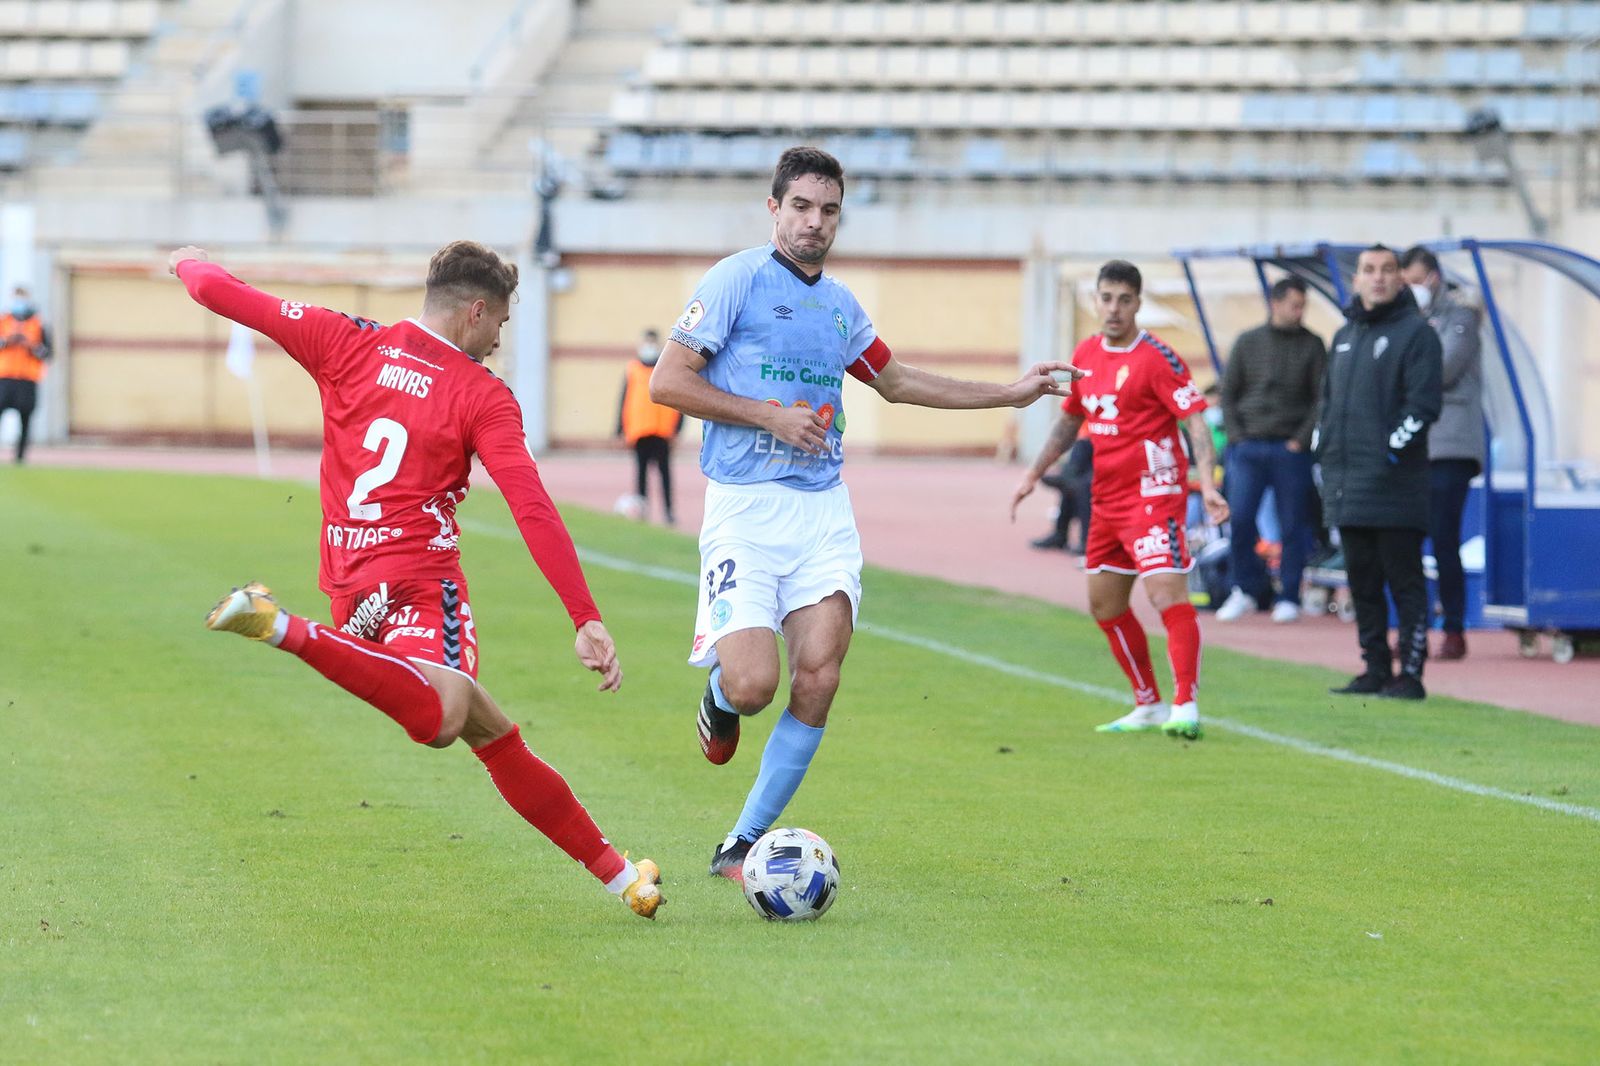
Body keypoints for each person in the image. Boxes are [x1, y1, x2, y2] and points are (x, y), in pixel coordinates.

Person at [169, 241, 663, 918]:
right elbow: (531, 506)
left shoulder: (343, 338)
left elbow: (220, 294)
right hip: (421, 585)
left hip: (352, 591)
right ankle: (279, 626)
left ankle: (622, 878)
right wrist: (584, 615)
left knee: (489, 730)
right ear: (476, 313)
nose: (499, 340)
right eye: (501, 325)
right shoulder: (482, 394)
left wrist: (189, 261)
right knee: (442, 718)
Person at [648, 146, 1081, 880]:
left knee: (818, 676)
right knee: (755, 686)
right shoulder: (736, 280)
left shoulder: (841, 305)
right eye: (802, 208)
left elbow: (898, 380)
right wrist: (767, 416)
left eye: (828, 211)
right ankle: (720, 696)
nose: (815, 223)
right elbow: (667, 382)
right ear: (774, 208)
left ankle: (744, 841)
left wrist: (1009, 394)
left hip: (822, 515)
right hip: (745, 511)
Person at [1013, 260, 1228, 740]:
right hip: (1106, 500)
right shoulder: (1086, 353)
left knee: (1164, 594)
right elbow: (1071, 420)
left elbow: (1195, 418)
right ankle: (1147, 703)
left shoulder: (1158, 358)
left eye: (1124, 300)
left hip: (1154, 496)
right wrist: (1033, 473)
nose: (1114, 308)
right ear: (1096, 300)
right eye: (1106, 298)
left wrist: (1208, 484)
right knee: (1105, 606)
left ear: (1137, 302)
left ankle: (1185, 704)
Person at [1317, 245, 1443, 701]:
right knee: (1362, 582)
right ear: (1356, 280)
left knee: (1403, 581)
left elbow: (1424, 405)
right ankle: (1373, 668)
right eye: (1369, 270)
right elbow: (1328, 404)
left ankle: (1410, 674)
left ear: (1400, 278)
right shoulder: (1345, 335)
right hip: (1348, 486)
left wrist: (1390, 450)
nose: (1378, 278)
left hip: (1395, 486)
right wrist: (1323, 448)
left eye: (1388, 270)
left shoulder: (1417, 335)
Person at [1213, 276, 1326, 624]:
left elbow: (1321, 398)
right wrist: (1237, 437)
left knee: (1294, 524)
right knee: (1242, 518)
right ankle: (1244, 588)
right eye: (1294, 304)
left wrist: (1301, 440)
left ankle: (1289, 594)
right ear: (1274, 303)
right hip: (1248, 447)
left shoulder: (1313, 345)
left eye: (1302, 305)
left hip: (1290, 449)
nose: (1299, 312)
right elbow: (1228, 393)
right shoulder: (1248, 342)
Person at [1400, 245, 1483, 661]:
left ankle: (1453, 628)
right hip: (1415, 445)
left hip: (1450, 445)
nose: (1411, 289)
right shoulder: (1409, 321)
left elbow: (1442, 369)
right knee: (1406, 542)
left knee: (1443, 538)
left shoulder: (1461, 317)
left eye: (1415, 280)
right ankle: (1413, 630)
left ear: (1433, 277)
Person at [616, 327, 682, 524]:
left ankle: (669, 512)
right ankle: (641, 510)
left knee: (665, 474)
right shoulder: (632, 369)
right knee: (641, 474)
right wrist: (620, 429)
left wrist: (677, 429)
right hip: (640, 429)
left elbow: (678, 399)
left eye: (652, 342)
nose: (649, 347)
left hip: (663, 430)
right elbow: (624, 399)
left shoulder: (666, 368)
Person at [0, 285, 52, 464]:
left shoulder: (38, 324)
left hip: (28, 379)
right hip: (5, 377)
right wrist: (8, 341)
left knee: (26, 419)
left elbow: (47, 353)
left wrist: (31, 346)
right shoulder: (4, 320)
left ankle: (20, 457)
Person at [1029, 438, 1092, 553]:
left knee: (1082, 485)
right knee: (1073, 483)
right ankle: (1060, 535)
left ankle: (1085, 540)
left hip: (1106, 448)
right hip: (1088, 442)